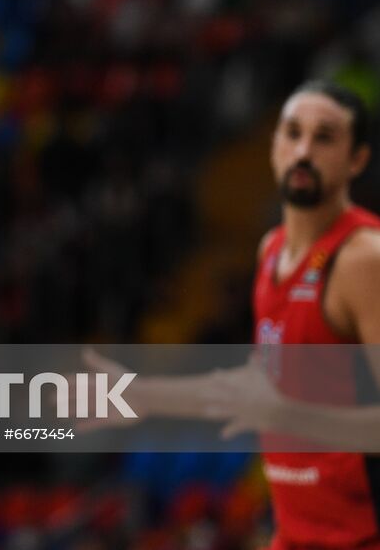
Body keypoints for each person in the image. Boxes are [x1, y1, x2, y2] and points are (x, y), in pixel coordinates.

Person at [88, 81, 380, 547]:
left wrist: (287, 414)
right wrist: (140, 395)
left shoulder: (363, 259)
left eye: (324, 138)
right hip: (295, 535)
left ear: (357, 159)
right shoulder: (272, 252)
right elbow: (258, 388)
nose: (304, 150)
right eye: (292, 133)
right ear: (274, 147)